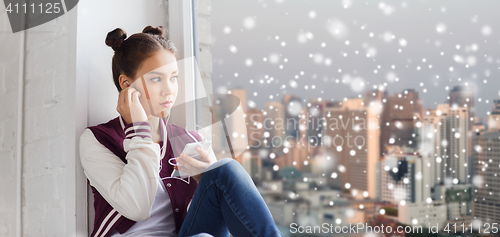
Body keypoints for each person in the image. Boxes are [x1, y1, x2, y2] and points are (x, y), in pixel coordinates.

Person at [78, 25, 283, 237]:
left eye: (173, 77)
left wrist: (205, 179)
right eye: (156, 79)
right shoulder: (98, 139)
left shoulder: (189, 140)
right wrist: (139, 129)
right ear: (126, 83)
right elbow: (137, 207)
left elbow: (217, 213)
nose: (169, 89)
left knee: (225, 170)